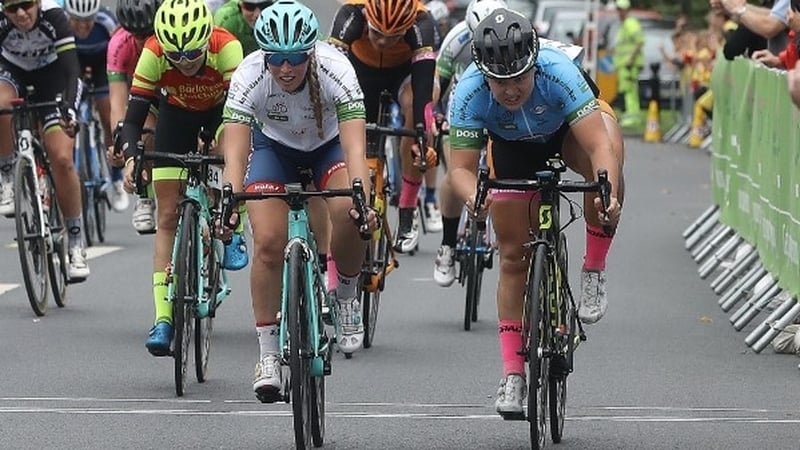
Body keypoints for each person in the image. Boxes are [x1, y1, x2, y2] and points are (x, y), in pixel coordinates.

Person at [447, 8, 623, 415]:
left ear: (534, 64)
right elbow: (459, 168)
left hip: (567, 133)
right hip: (512, 148)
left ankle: (594, 268)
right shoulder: (469, 90)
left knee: (608, 161)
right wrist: (474, 195)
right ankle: (512, 375)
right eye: (499, 82)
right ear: (482, 73)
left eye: (519, 79)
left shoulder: (557, 70)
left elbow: (598, 148)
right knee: (512, 257)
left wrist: (606, 191)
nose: (510, 91)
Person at [220, 0, 375, 400]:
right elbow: (235, 147)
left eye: (294, 58)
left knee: (349, 211)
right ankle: (268, 354)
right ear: (263, 55)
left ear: (311, 53)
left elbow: (356, 146)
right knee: (269, 243)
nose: (285, 68)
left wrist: (362, 195)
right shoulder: (250, 74)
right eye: (276, 58)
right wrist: (228, 197)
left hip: (328, 149)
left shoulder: (337, 69)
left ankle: (345, 295)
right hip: (274, 149)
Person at [116, 0, 243, 356]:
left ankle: (232, 222)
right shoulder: (154, 52)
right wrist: (131, 158)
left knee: (226, 148)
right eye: (176, 56)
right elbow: (133, 119)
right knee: (167, 217)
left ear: (206, 41)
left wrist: (220, 140)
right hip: (175, 116)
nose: (184, 63)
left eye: (192, 54)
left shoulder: (226, 46)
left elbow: (239, 116)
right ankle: (163, 319)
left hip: (222, 112)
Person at [328, 0, 440, 254]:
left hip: (403, 75)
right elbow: (330, 75)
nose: (381, 42)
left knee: (418, 109)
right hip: (358, 73)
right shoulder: (351, 14)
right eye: (376, 33)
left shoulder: (422, 23)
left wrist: (422, 134)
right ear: (367, 17)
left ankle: (408, 210)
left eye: (393, 37)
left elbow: (423, 94)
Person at [0, 0, 90, 279]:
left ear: (38, 3)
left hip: (53, 78)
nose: (21, 14)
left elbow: (73, 71)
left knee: (62, 158)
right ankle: (6, 177)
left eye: (26, 5)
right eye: (13, 9)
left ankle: (76, 243)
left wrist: (71, 110)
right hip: (11, 72)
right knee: (1, 106)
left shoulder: (55, 17)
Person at [432, 0, 507, 286]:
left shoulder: (515, 33)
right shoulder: (457, 39)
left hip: (499, 100)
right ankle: (448, 244)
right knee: (455, 174)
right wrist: (436, 115)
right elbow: (438, 83)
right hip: (463, 103)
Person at [64, 0, 130, 213]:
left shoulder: (107, 22)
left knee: (107, 113)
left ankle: (116, 178)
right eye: (77, 21)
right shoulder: (62, 25)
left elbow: (119, 52)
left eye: (88, 21)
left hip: (103, 64)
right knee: (69, 112)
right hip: (76, 65)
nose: (83, 27)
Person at [107, 0, 161, 232]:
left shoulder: (168, 38)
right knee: (143, 133)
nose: (141, 40)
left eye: (147, 32)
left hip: (178, 92)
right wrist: (120, 142)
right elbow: (117, 103)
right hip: (145, 97)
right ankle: (145, 196)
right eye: (134, 33)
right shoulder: (119, 44)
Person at [611, 0, 644, 127]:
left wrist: (630, 58)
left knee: (630, 91)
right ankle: (631, 115)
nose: (619, 12)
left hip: (629, 65)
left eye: (621, 9)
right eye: (618, 9)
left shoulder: (630, 23)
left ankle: (633, 117)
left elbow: (639, 42)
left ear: (627, 9)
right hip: (624, 64)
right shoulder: (625, 24)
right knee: (627, 90)